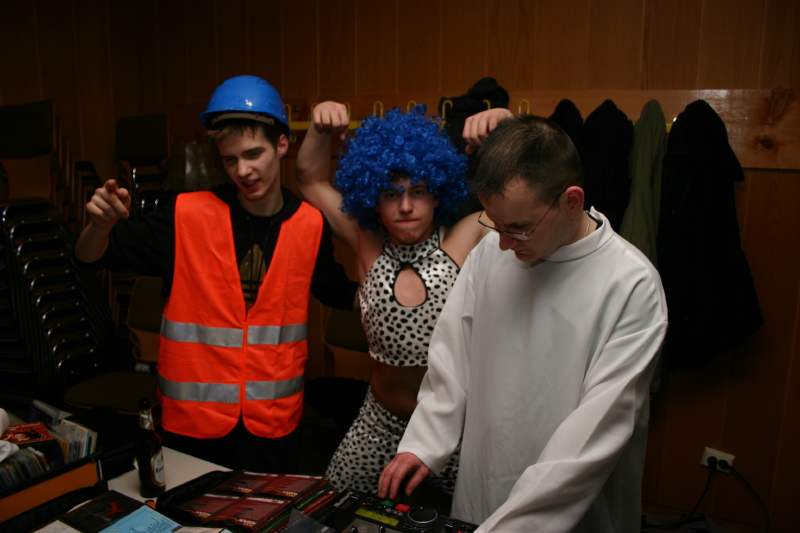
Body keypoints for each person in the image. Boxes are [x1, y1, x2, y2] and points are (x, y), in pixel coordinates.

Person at [378, 110, 668, 532]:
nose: (503, 243)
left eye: (519, 228)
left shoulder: (631, 284)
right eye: (494, 225)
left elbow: (594, 435)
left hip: (569, 510)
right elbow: (453, 355)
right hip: (482, 480)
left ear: (572, 201)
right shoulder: (490, 253)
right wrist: (425, 442)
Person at [74, 75, 359, 473]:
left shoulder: (309, 223)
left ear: (282, 145)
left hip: (271, 425)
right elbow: (91, 257)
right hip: (192, 426)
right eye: (230, 159)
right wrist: (99, 226)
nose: (243, 170)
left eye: (254, 154)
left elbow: (335, 289)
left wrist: (402, 303)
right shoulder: (186, 214)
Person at [295, 102, 491, 495]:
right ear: (373, 199)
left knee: (480, 516)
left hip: (453, 428)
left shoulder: (465, 238)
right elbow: (310, 179)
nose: (405, 206)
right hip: (380, 425)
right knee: (329, 505)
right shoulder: (366, 243)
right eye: (391, 194)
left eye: (418, 192)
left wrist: (506, 128)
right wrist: (318, 126)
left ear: (437, 195)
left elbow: (525, 195)